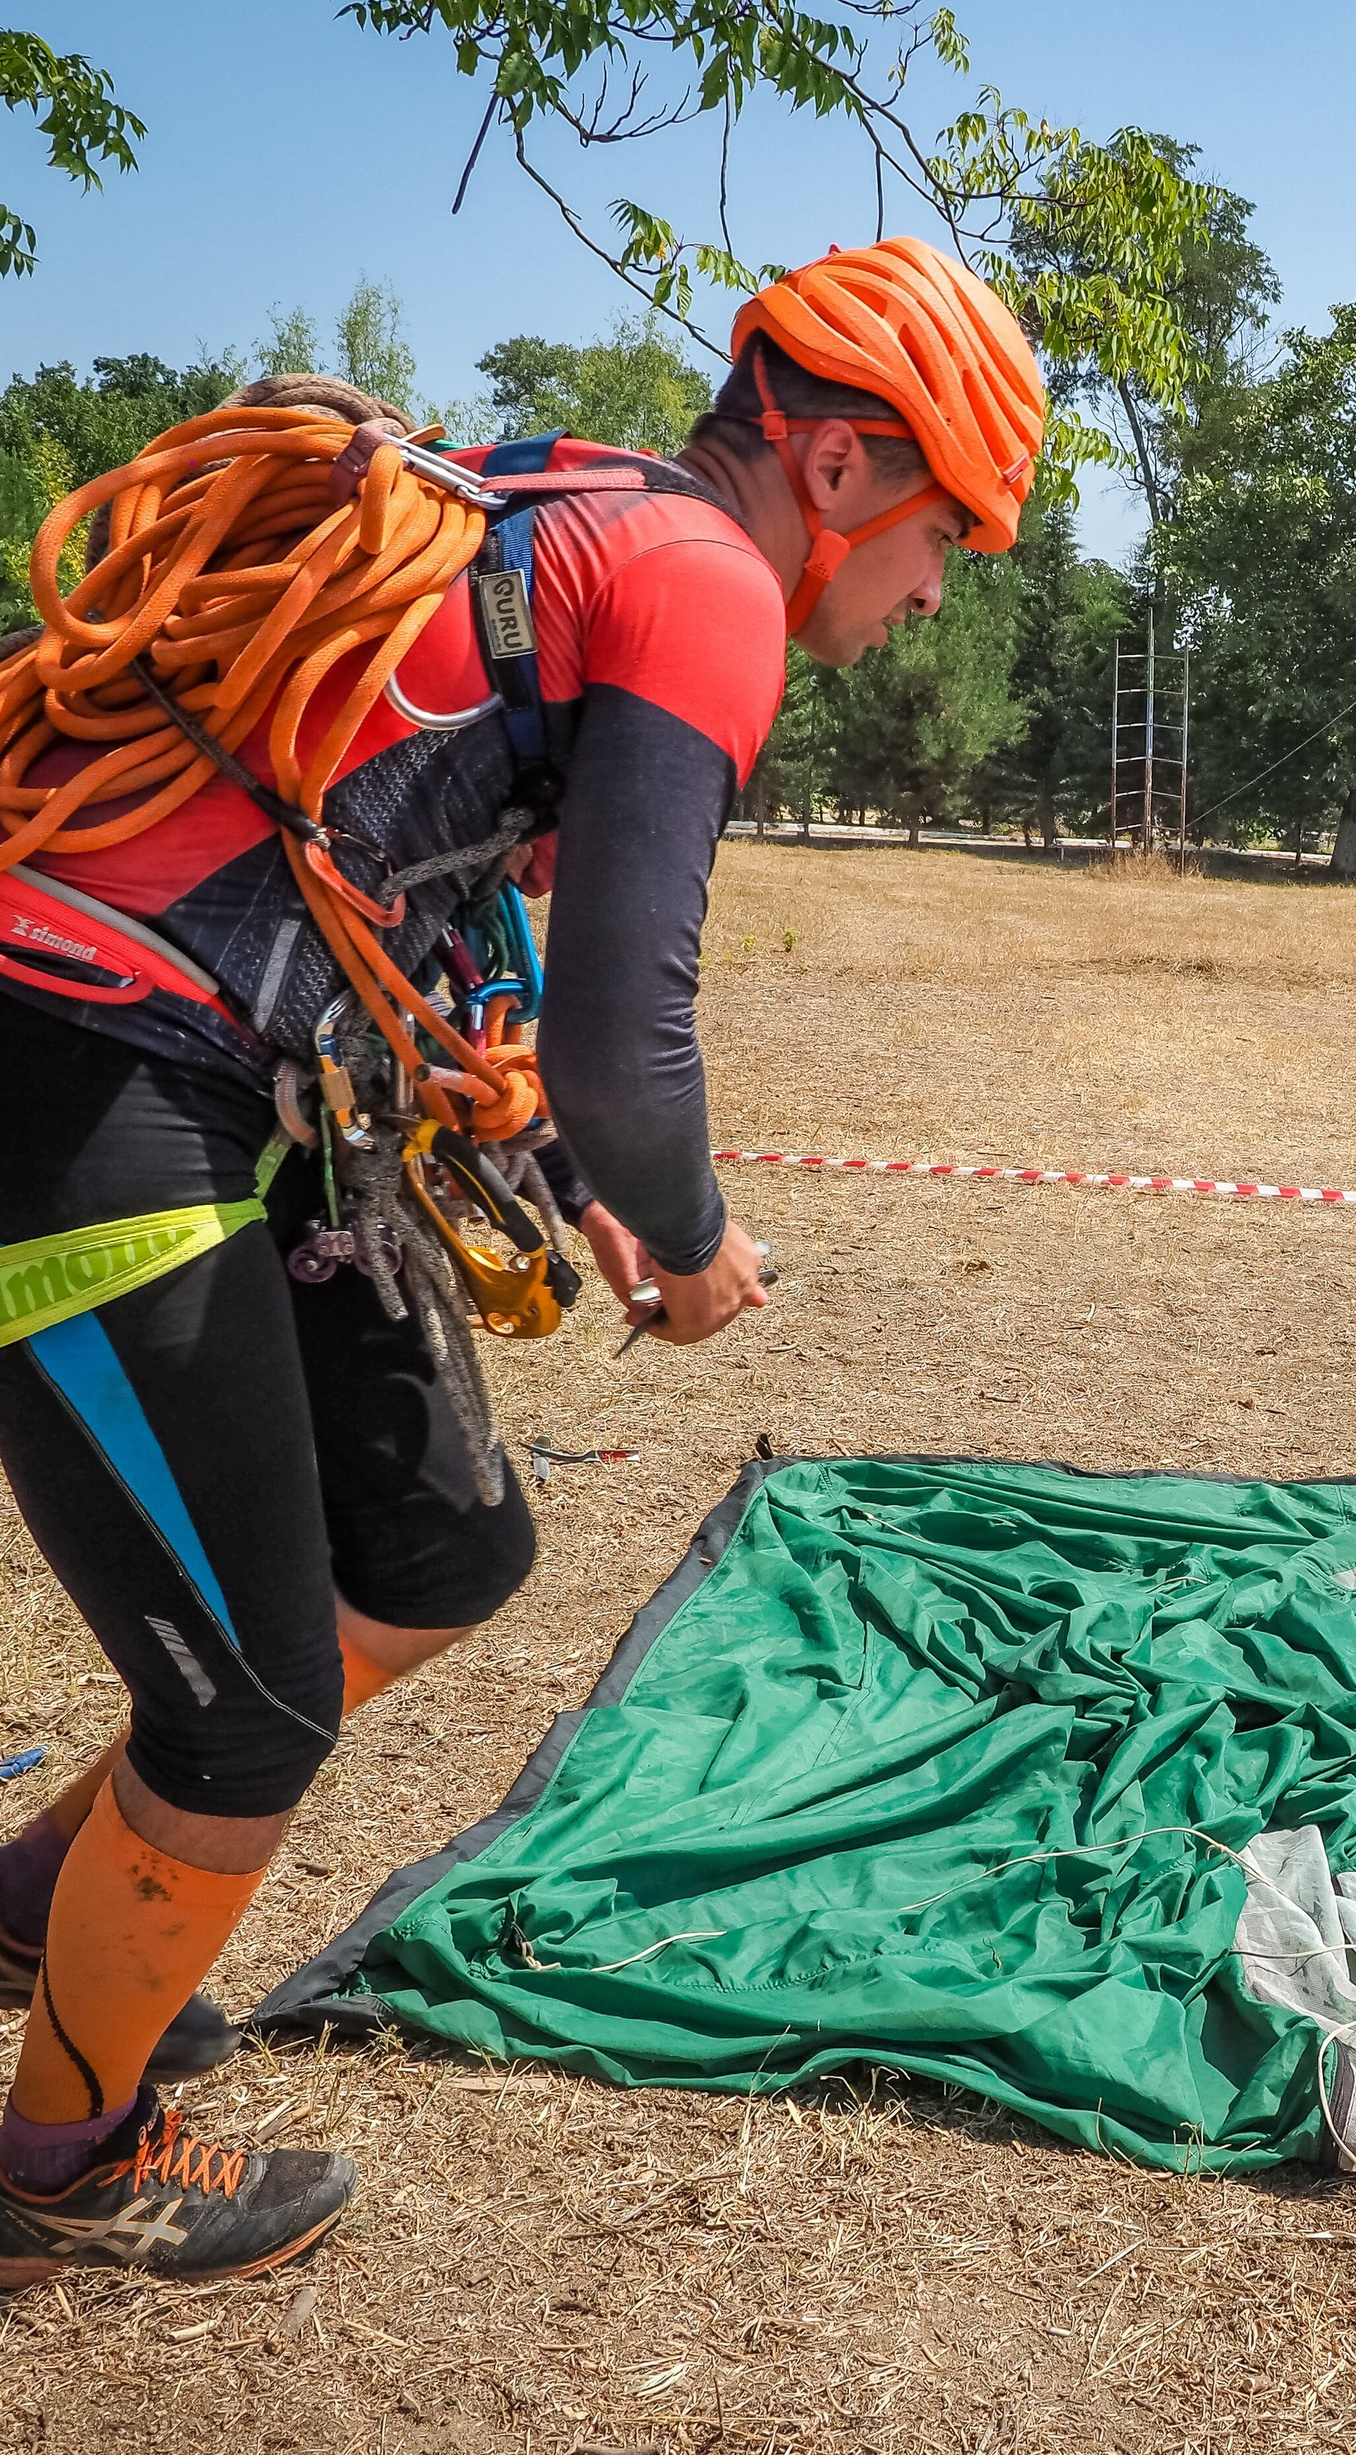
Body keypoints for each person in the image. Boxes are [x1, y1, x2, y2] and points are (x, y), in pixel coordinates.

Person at [0, 240, 1043, 2287]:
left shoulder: (575, 511)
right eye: (947, 537)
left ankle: (57, 1904)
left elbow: (449, 909)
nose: (937, 594)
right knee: (250, 1714)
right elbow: (630, 1043)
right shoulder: (707, 584)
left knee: (443, 1544)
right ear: (837, 471)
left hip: (204, 1072)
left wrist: (568, 1171)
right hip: (81, 1082)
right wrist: (690, 1234)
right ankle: (60, 2162)